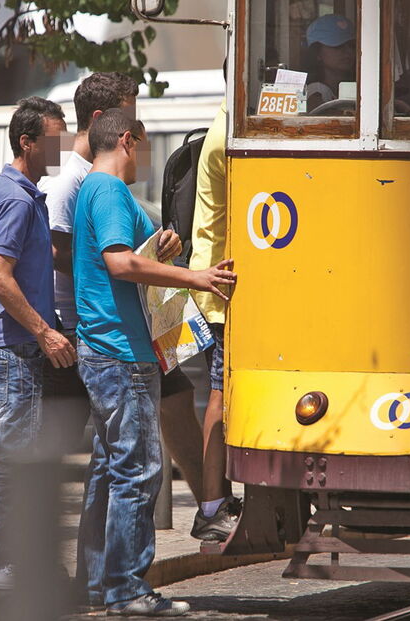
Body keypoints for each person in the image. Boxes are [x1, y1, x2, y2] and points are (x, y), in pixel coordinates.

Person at [72, 108, 236, 616]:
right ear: (126, 139)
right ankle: (127, 590)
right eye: (141, 145)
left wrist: (162, 250)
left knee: (112, 469)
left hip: (110, 349)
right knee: (139, 472)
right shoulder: (109, 191)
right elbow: (120, 263)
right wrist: (198, 277)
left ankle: (102, 584)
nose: (143, 156)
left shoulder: (93, 193)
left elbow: (131, 256)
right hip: (120, 354)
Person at [38, 71, 208, 503]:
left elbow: (110, 252)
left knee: (113, 461)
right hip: (105, 334)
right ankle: (121, 569)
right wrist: (186, 275)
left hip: (118, 330)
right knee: (132, 470)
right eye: (131, 120)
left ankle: (207, 506)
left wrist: (153, 250)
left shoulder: (95, 181)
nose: (137, 136)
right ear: (111, 126)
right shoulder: (82, 181)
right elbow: (91, 258)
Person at [0, 97, 74, 589]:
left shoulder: (17, 192)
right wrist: (44, 330)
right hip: (11, 348)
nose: (62, 147)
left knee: (18, 454)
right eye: (53, 139)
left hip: (11, 345)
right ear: (26, 142)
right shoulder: (13, 197)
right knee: (14, 456)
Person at [188, 94, 240, 541]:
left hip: (217, 288)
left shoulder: (227, 121)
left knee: (221, 394)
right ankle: (210, 507)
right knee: (221, 397)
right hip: (218, 292)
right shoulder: (230, 134)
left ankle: (216, 500)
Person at [304, 14, 356, 111]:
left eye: (352, 46)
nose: (348, 51)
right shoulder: (315, 92)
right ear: (317, 53)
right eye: (337, 46)